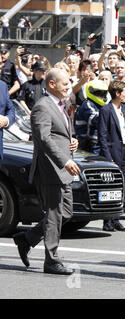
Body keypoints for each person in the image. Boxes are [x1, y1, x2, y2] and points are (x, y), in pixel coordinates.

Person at [13, 68, 81, 275]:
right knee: (54, 215)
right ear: (52, 84)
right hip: (51, 168)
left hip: (63, 169)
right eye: (65, 84)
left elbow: (58, 133)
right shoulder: (43, 106)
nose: (69, 88)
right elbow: (43, 139)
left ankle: (27, 238)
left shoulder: (61, 104)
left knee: (66, 212)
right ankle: (51, 260)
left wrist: (71, 141)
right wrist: (64, 160)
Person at [98, 80, 125, 232]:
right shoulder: (106, 110)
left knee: (122, 186)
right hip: (113, 152)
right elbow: (102, 136)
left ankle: (116, 219)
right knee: (110, 187)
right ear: (117, 93)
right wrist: (108, 158)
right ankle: (107, 221)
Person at [75, 79, 108, 154]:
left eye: (103, 94)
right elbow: (95, 119)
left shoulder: (102, 106)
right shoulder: (87, 104)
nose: (101, 96)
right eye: (99, 93)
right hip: (88, 146)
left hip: (99, 145)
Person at [0, 58, 16, 153]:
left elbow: (11, 109)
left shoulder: (3, 86)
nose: (1, 66)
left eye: (1, 63)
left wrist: (6, 120)